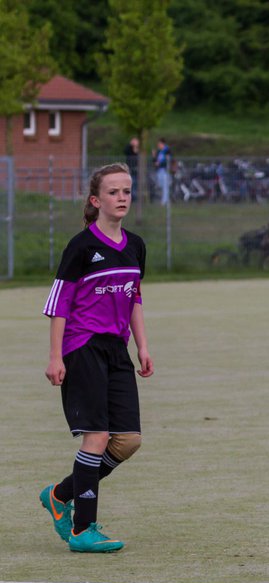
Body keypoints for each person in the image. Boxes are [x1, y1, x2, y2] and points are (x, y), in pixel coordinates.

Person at [39, 163, 153, 553]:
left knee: (128, 441)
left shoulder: (136, 245)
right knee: (98, 436)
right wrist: (56, 356)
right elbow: (58, 305)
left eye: (126, 191)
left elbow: (134, 297)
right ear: (95, 200)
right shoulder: (81, 246)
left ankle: (60, 494)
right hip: (82, 346)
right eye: (113, 192)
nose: (122, 198)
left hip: (116, 350)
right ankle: (82, 529)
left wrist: (143, 345)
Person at [153, 138, 172, 205]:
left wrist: (160, 163)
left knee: (165, 186)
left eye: (159, 144)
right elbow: (155, 161)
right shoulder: (159, 151)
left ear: (163, 144)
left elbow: (168, 161)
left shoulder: (167, 150)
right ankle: (166, 199)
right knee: (160, 185)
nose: (158, 145)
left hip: (165, 170)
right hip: (159, 170)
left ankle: (164, 201)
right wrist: (154, 156)